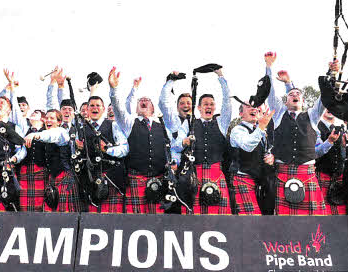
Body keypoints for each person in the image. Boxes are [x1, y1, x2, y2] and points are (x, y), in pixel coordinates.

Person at [267, 52, 328, 215]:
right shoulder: (279, 114)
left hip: (306, 172)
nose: (295, 95)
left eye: (298, 94)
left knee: (315, 223)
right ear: (285, 101)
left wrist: (331, 74)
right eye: (290, 94)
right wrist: (268, 66)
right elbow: (270, 93)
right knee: (283, 222)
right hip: (283, 172)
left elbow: (325, 98)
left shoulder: (313, 115)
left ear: (303, 101)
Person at [169, 68, 233, 215]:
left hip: (216, 173)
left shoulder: (222, 123)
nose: (209, 106)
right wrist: (183, 142)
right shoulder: (190, 123)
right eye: (205, 104)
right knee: (194, 216)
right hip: (194, 175)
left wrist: (221, 77)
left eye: (211, 104)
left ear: (215, 107)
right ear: (198, 108)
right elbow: (176, 144)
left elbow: (227, 103)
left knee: (220, 217)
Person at [109, 67, 170, 214]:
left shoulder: (163, 126)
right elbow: (118, 109)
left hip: (158, 180)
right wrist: (114, 89)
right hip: (136, 179)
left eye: (147, 100)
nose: (143, 101)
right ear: (135, 109)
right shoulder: (130, 123)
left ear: (153, 108)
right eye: (140, 101)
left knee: (158, 222)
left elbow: (171, 149)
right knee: (133, 222)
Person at [75, 96, 129, 213]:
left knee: (112, 218)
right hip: (90, 179)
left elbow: (125, 149)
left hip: (111, 177)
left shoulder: (113, 125)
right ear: (87, 109)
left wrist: (107, 149)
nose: (95, 108)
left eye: (98, 105)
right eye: (92, 106)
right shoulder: (81, 128)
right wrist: (77, 148)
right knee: (91, 218)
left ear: (103, 109)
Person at [24, 109, 78, 212]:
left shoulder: (61, 132)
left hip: (64, 176)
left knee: (64, 213)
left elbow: (51, 135)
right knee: (50, 211)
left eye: (52, 118)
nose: (48, 120)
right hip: (52, 177)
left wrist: (36, 135)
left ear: (59, 122)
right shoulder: (47, 133)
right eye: (47, 118)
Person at [230, 103, 275, 215]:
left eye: (255, 107)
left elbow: (267, 150)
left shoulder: (262, 132)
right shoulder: (238, 130)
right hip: (243, 178)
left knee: (266, 218)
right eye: (249, 106)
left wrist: (271, 157)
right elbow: (248, 145)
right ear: (241, 114)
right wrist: (261, 127)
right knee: (252, 220)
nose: (254, 109)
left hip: (261, 182)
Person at [315, 110, 348, 215]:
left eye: (332, 107)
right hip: (322, 175)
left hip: (339, 179)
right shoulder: (315, 127)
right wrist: (329, 141)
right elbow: (316, 152)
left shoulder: (343, 128)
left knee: (341, 217)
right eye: (325, 106)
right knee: (321, 216)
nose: (329, 109)